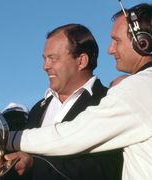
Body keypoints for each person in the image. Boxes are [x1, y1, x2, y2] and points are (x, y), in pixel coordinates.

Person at [6, 3, 152, 179]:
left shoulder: (143, 87)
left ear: (142, 42)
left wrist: (6, 139)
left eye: (117, 40)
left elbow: (71, 136)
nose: (110, 49)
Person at [7, 24, 123, 180]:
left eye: (53, 58)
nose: (45, 66)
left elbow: (109, 167)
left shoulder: (109, 101)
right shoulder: (38, 109)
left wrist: (35, 167)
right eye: (44, 59)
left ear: (81, 61)